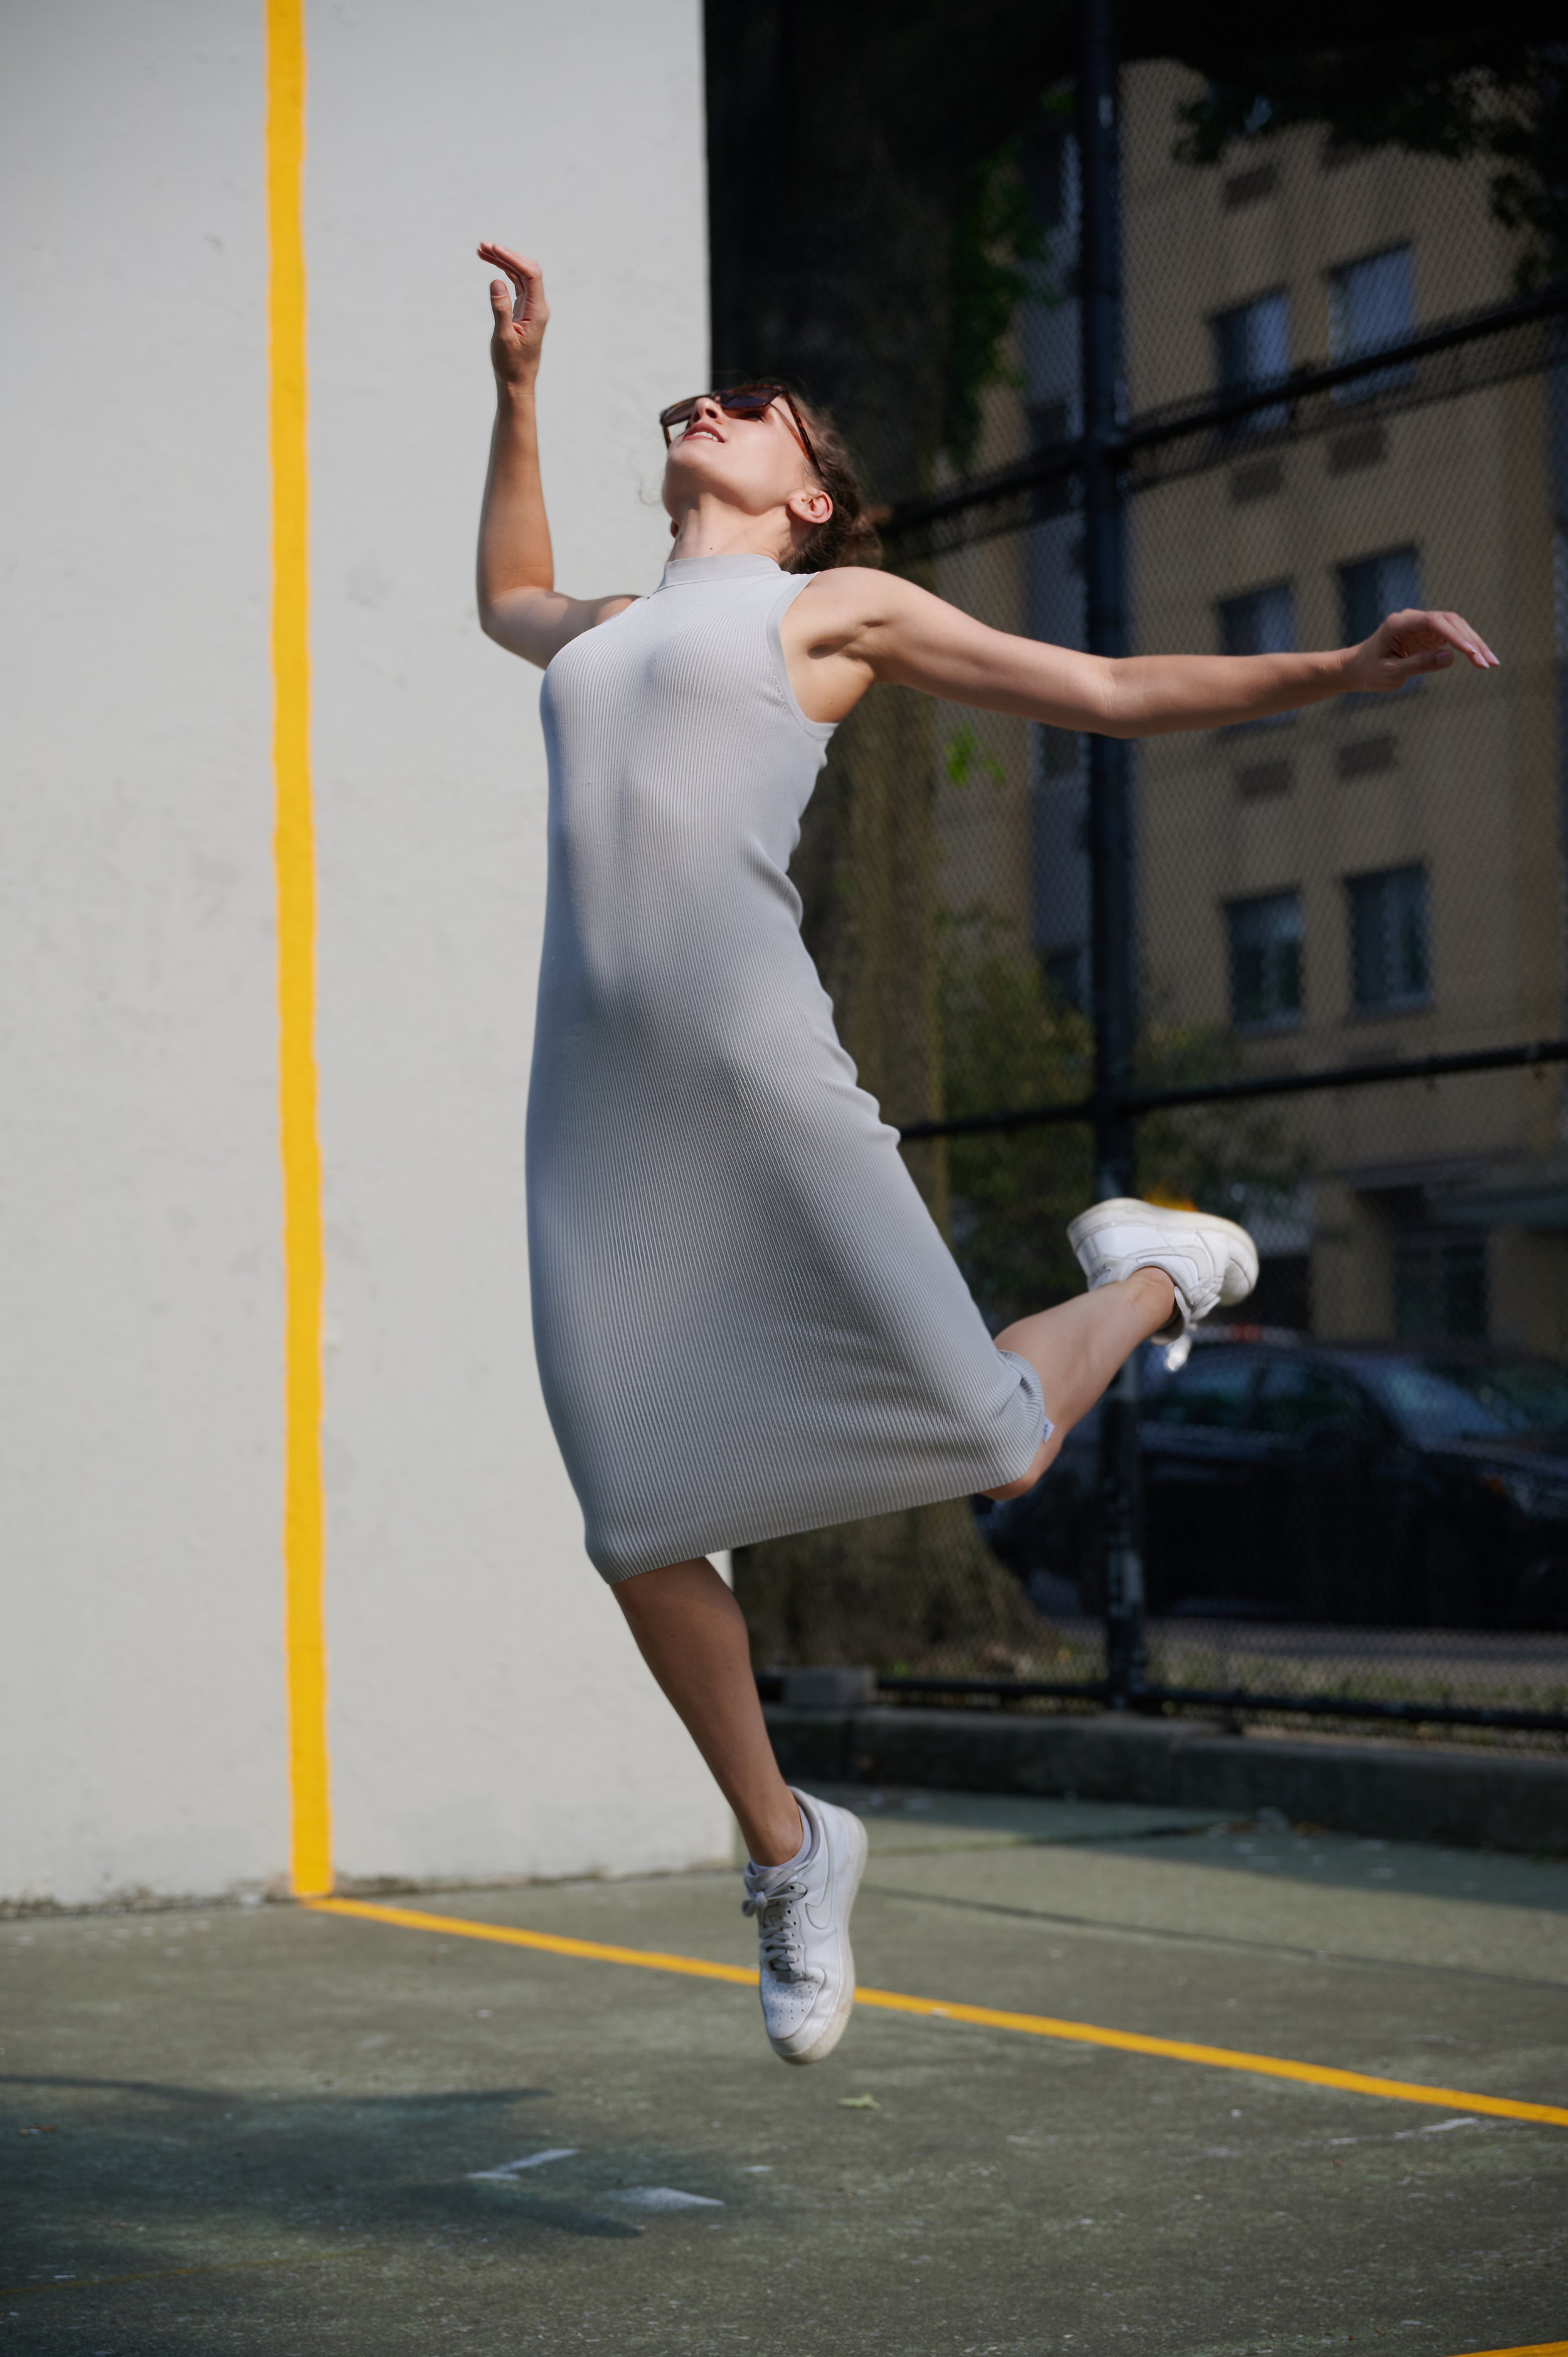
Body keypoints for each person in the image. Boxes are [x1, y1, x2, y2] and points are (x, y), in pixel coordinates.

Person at [474, 240, 1498, 2068]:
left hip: (762, 1090)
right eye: (692, 402)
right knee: (639, 1527)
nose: (702, 404)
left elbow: (1097, 691)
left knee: (999, 1446)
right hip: (595, 1122)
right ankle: (791, 1856)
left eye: (753, 408)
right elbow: (507, 599)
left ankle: (1161, 1269)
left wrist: (1340, 663)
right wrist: (522, 392)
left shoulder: (831, 609)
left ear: (805, 494)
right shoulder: (611, 634)